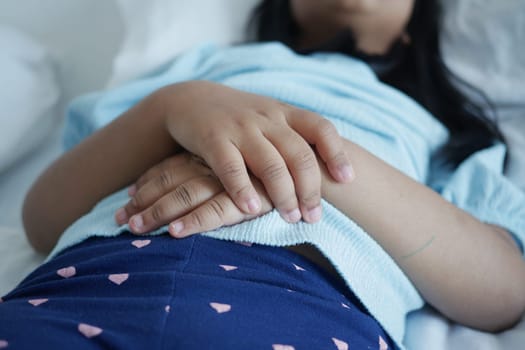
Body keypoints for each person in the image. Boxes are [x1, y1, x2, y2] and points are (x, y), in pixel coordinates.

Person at [1, 1, 524, 349]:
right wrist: (178, 107)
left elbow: (503, 290)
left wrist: (307, 160)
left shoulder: (438, 129)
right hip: (94, 278)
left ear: (417, 23)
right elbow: (42, 219)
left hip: (305, 304)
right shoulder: (201, 69)